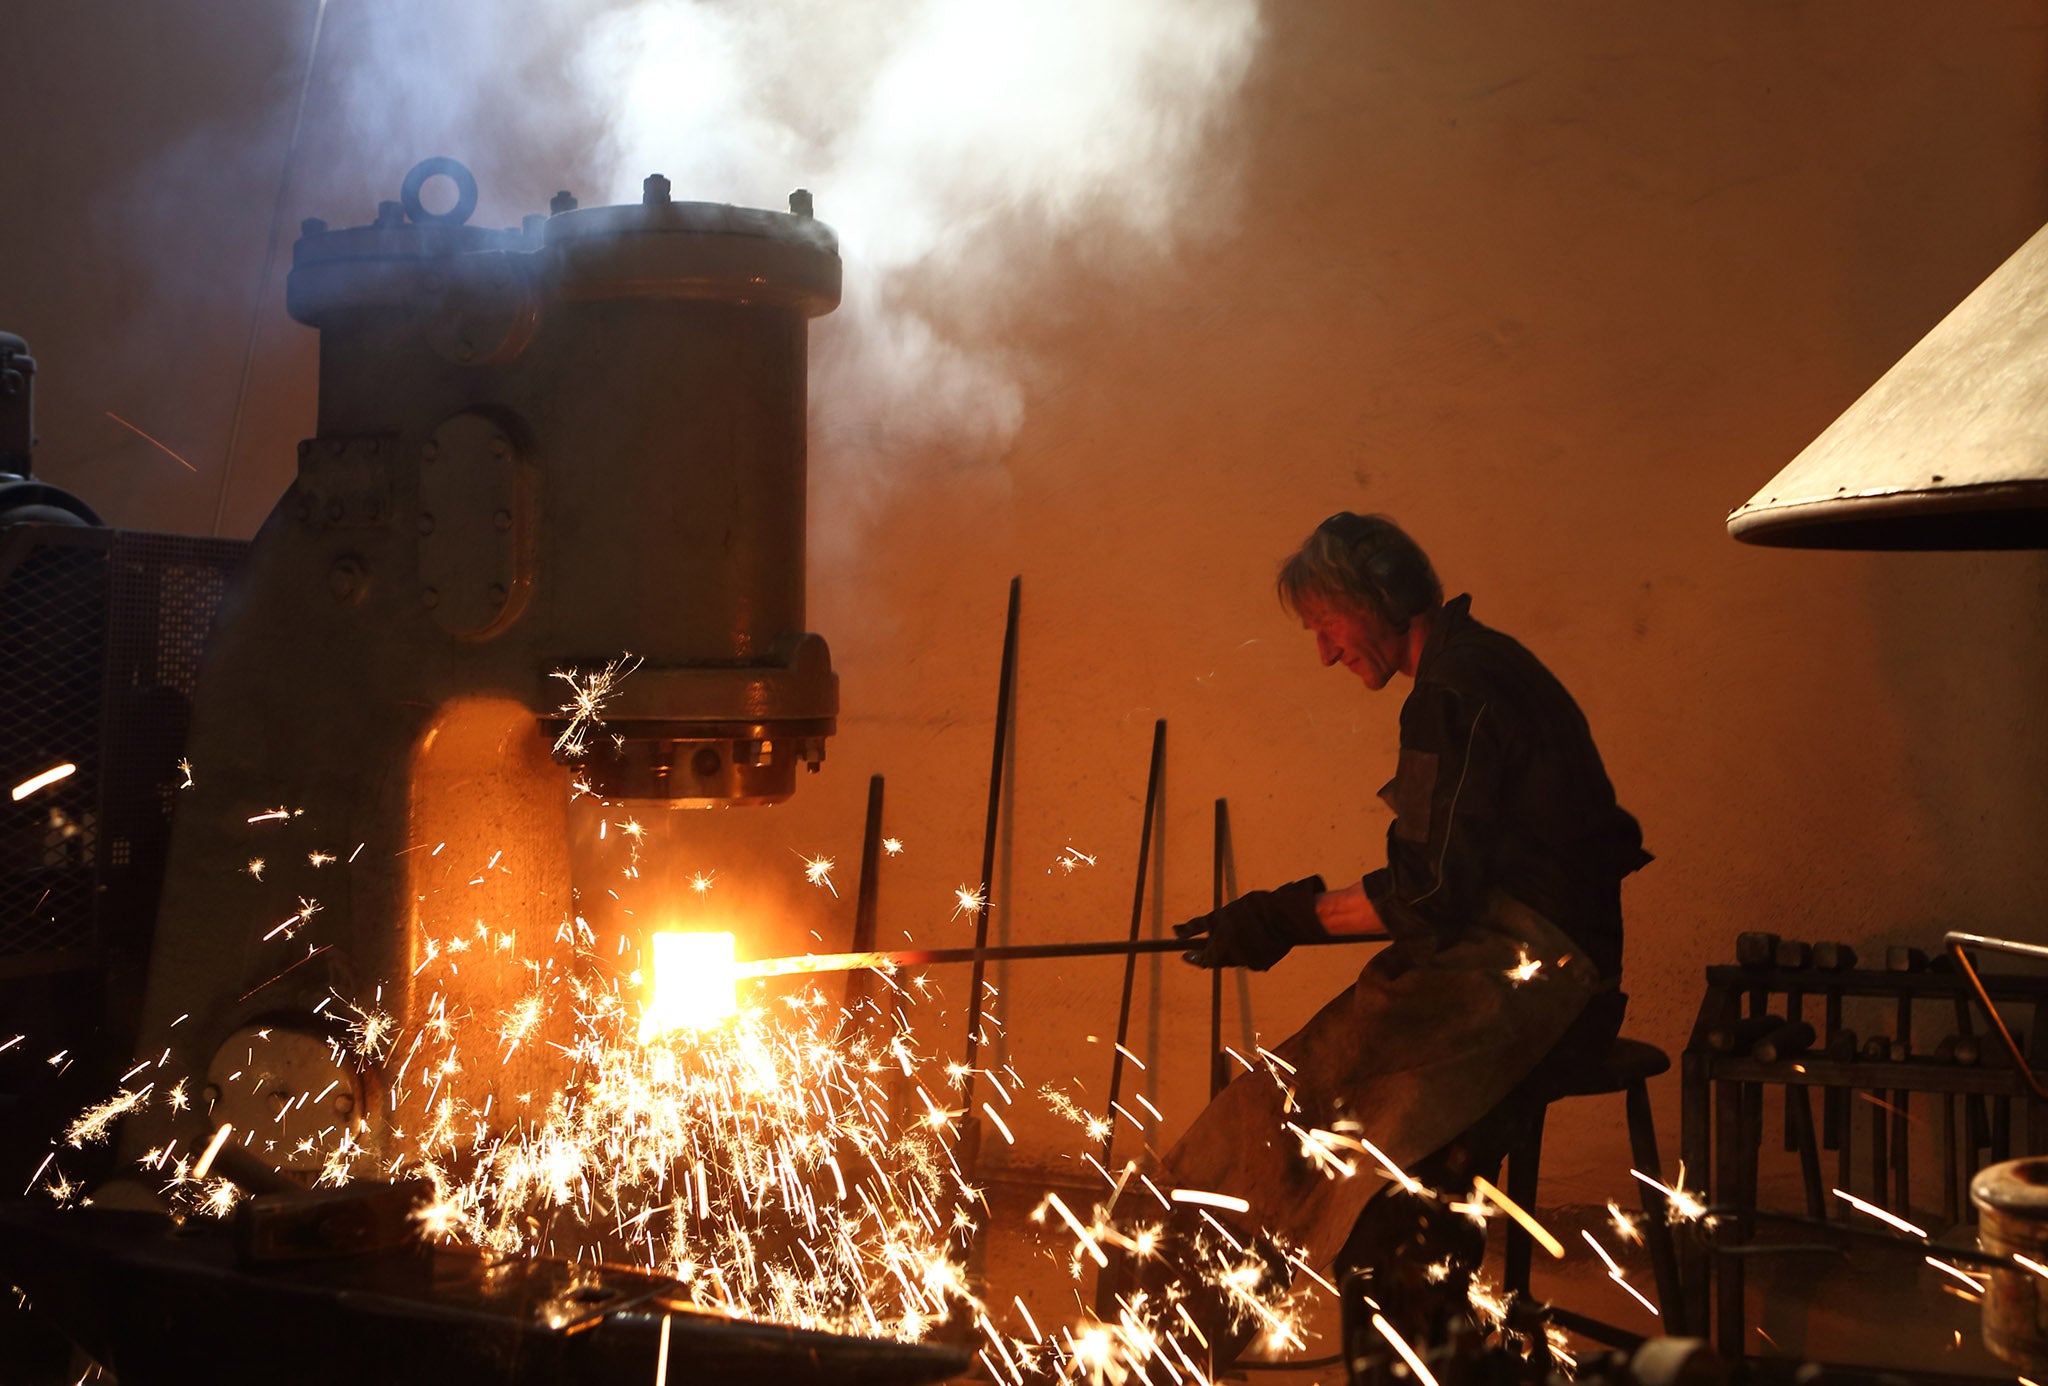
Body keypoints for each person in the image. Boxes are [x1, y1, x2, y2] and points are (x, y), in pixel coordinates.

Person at [1163, 511, 1649, 1346]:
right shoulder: (1481, 664)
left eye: (1327, 626)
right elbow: (1442, 884)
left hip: (1536, 975)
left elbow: (1426, 893)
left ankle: (1204, 1331)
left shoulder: (1453, 691)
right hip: (1535, 957)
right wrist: (1284, 919)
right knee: (1304, 1114)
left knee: (1345, 1159)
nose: (1322, 651)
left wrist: (1282, 917)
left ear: (1381, 600)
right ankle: (1204, 1322)